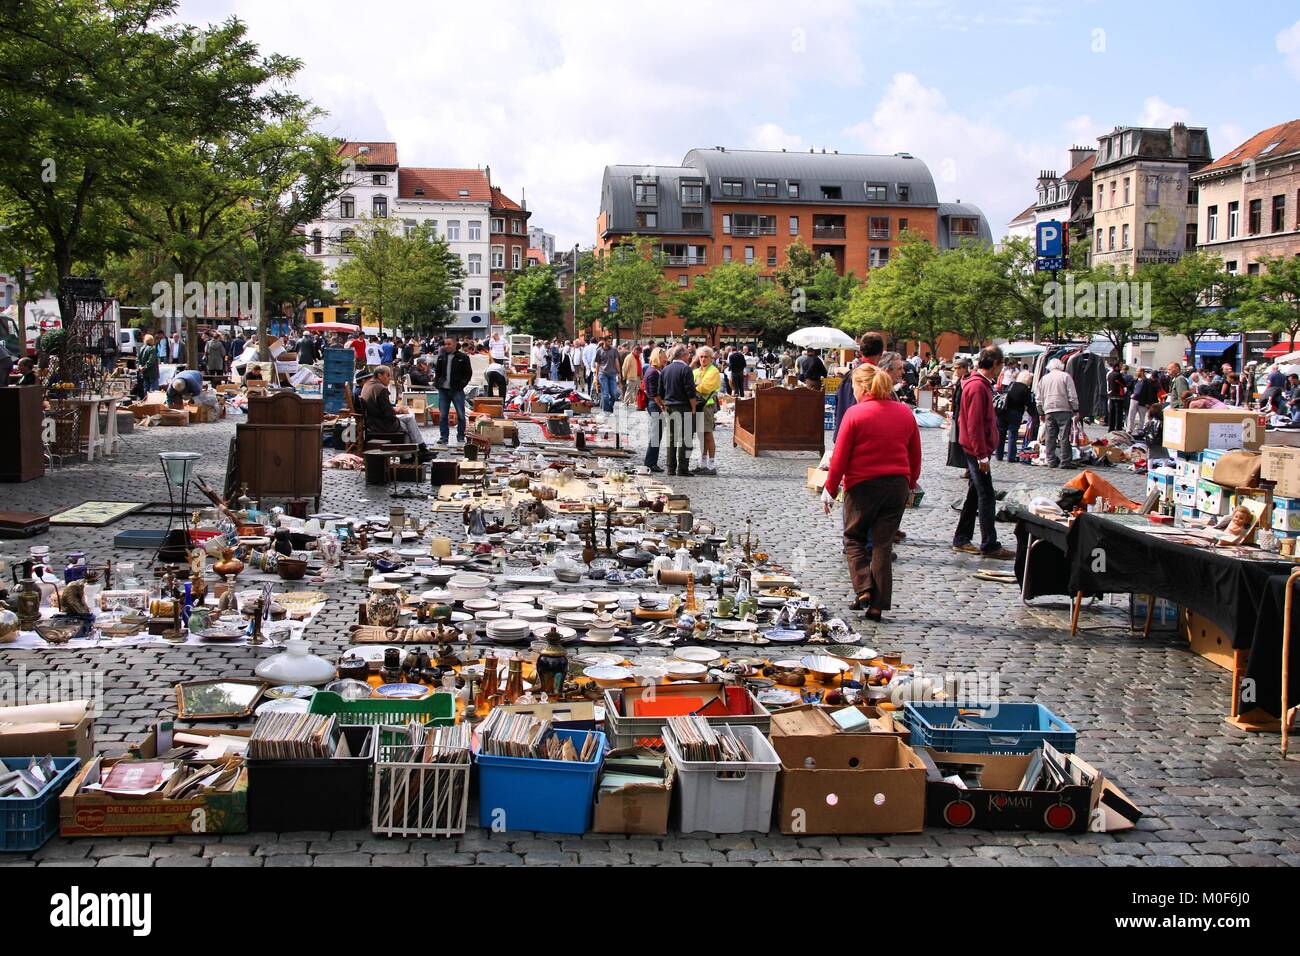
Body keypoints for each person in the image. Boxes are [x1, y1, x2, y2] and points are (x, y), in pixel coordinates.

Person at [823, 364, 922, 621]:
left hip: (863, 485)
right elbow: (915, 454)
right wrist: (910, 483)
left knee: (854, 538)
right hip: (897, 485)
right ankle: (877, 606)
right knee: (882, 544)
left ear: (863, 387)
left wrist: (830, 489)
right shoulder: (904, 412)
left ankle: (864, 587)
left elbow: (840, 457)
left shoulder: (855, 414)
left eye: (855, 387)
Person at [952, 346, 1014, 560]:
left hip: (975, 448)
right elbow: (975, 425)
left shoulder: (976, 384)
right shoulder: (978, 387)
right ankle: (989, 544)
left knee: (974, 494)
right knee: (986, 496)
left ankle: (961, 538)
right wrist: (982, 456)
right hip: (975, 449)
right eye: (1000, 366)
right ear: (995, 364)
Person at [360, 364, 433, 461]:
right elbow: (388, 414)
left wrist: (396, 409)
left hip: (375, 420)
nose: (389, 378)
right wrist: (397, 410)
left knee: (409, 419)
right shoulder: (380, 389)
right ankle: (418, 450)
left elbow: (381, 407)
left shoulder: (369, 385)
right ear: (380, 375)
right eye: (387, 375)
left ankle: (414, 454)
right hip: (380, 423)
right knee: (407, 422)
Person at [833, 333, 884, 436]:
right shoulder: (875, 377)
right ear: (881, 353)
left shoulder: (848, 375)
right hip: (862, 436)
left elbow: (838, 408)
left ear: (860, 351)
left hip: (843, 432)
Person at [658, 344, 697, 477]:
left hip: (670, 405)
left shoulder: (665, 369)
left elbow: (660, 391)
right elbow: (690, 391)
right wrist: (693, 407)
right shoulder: (686, 370)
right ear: (683, 355)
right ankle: (683, 468)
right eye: (687, 354)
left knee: (671, 438)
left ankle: (670, 468)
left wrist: (664, 404)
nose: (689, 356)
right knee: (685, 438)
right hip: (683, 405)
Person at [1038, 357, 1079, 467]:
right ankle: (1065, 461)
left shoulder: (1044, 379)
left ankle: (1050, 460)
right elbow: (1072, 395)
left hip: (1049, 410)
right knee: (1064, 436)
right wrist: (1075, 409)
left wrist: (1041, 412)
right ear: (1061, 366)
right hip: (1063, 409)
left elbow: (1038, 398)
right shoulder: (1066, 376)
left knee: (1050, 436)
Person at [432, 337, 472, 445]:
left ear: (455, 345)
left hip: (457, 390)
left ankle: (460, 436)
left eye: (449, 344)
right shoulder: (441, 357)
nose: (446, 346)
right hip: (443, 390)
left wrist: (462, 385)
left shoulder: (463, 357)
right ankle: (444, 437)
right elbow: (438, 372)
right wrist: (437, 383)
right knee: (443, 415)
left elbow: (468, 373)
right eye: (445, 344)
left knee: (460, 414)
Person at [692, 346, 722, 476]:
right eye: (701, 357)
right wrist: (697, 384)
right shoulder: (697, 371)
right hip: (698, 406)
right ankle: (702, 463)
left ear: (711, 358)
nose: (703, 359)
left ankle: (711, 465)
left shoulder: (713, 371)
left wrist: (696, 385)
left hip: (707, 406)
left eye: (706, 357)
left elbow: (705, 388)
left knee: (708, 434)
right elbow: (690, 384)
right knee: (701, 436)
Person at [997, 370, 1036, 464]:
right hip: (1015, 414)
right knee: (1012, 435)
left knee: (1001, 435)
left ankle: (999, 455)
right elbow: (1028, 404)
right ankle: (1011, 457)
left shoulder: (1011, 384)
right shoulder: (1025, 389)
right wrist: (1034, 414)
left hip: (1002, 412)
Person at [642, 348, 667, 472]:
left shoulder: (653, 370)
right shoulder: (653, 372)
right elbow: (654, 394)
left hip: (654, 404)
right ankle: (650, 462)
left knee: (656, 434)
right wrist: (662, 406)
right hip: (655, 405)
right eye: (664, 357)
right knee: (656, 435)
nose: (666, 359)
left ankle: (651, 462)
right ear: (658, 357)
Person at [1127, 367, 1157, 434]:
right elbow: (1129, 388)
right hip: (1134, 400)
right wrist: (1131, 394)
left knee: (1142, 416)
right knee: (1131, 415)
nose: (1137, 373)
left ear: (1142, 372)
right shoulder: (1135, 380)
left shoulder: (1147, 381)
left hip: (1143, 401)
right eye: (1136, 371)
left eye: (1138, 371)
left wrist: (1148, 402)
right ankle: (1129, 429)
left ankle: (1140, 429)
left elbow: (1150, 392)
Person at [595, 336, 621, 412]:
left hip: (612, 374)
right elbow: (598, 364)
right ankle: (606, 411)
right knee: (605, 394)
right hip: (602, 374)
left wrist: (619, 373)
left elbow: (616, 362)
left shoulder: (614, 350)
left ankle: (610, 406)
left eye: (610, 341)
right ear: (604, 341)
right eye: (608, 341)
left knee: (614, 393)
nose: (610, 343)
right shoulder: (599, 351)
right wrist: (596, 376)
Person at [621, 342, 642, 407]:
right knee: (629, 391)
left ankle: (636, 403)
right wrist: (624, 376)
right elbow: (625, 368)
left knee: (637, 391)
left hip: (638, 376)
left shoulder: (638, 357)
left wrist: (641, 376)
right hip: (631, 377)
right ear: (634, 350)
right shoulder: (629, 357)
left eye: (639, 353)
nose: (639, 354)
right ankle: (625, 403)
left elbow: (640, 366)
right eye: (637, 352)